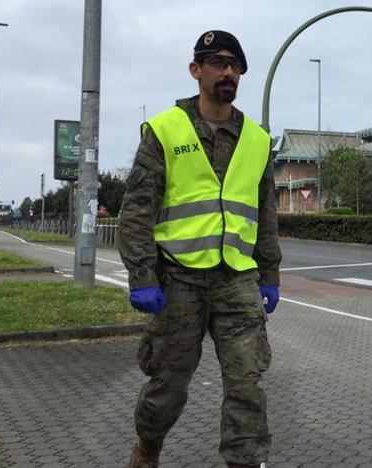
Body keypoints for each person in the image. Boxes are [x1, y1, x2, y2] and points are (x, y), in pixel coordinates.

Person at [118, 30, 281, 468]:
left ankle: (244, 461)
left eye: (235, 65)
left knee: (247, 385)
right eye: (217, 62)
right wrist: (142, 276)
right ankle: (146, 450)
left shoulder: (257, 140)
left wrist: (270, 274)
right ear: (197, 70)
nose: (228, 72)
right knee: (167, 386)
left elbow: (265, 215)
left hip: (237, 281)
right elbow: (136, 211)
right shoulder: (165, 131)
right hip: (178, 280)